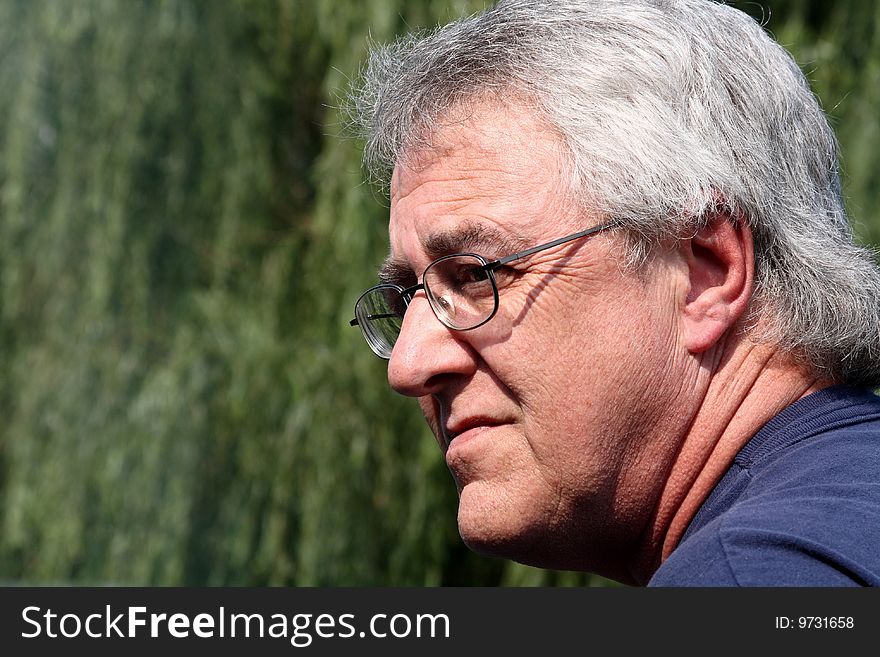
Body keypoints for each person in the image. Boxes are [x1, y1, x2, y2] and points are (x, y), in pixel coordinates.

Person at [347, 0, 880, 586]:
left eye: (477, 274)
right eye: (406, 295)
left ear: (707, 272)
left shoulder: (746, 578)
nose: (408, 364)